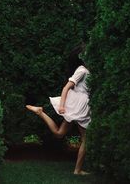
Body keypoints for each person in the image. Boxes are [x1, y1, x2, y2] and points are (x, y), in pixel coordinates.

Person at [26, 45, 91, 175]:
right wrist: (62, 105)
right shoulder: (82, 70)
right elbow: (66, 87)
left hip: (80, 104)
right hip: (79, 105)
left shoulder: (86, 69)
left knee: (59, 134)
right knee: (86, 139)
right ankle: (77, 170)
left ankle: (40, 112)